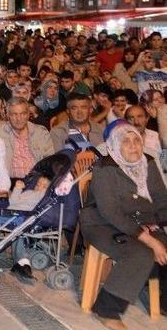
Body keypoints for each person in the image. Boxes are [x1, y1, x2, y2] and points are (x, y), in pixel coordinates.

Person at [80, 121, 167, 329]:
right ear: (115, 144)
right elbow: (111, 212)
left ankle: (165, 301)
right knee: (140, 253)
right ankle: (106, 310)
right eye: (126, 141)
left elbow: (161, 200)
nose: (133, 146)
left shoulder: (148, 161)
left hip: (141, 221)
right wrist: (150, 241)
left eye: (137, 140)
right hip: (102, 224)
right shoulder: (104, 167)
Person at [0, 175, 51, 281]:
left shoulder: (42, 196)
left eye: (44, 186)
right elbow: (12, 202)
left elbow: (46, 198)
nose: (39, 186)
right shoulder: (29, 193)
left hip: (19, 217)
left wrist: (49, 191)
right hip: (10, 213)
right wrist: (17, 189)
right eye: (38, 183)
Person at [0, 97, 54, 181]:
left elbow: (50, 161)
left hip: (36, 181)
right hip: (10, 182)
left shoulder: (40, 133)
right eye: (14, 114)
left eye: (23, 114)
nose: (19, 118)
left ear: (28, 114)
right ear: (7, 116)